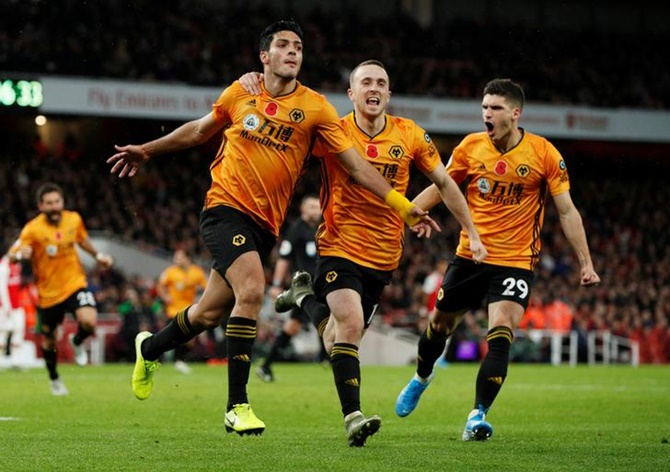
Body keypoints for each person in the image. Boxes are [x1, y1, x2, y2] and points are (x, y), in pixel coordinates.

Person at [106, 20, 430, 438]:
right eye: (283, 45)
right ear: (265, 56)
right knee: (253, 291)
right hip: (224, 208)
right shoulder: (240, 92)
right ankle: (236, 406)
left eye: (298, 46)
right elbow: (202, 129)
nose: (293, 52)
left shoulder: (315, 108)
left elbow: (355, 165)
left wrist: (402, 205)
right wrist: (147, 150)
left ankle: (148, 348)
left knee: (208, 312)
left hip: (266, 223)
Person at [243, 59, 485, 446]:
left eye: (381, 83)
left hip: (384, 256)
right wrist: (257, 86)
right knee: (351, 327)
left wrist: (471, 230)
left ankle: (304, 298)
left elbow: (445, 181)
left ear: (388, 94)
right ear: (352, 93)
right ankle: (353, 417)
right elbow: (283, 133)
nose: (374, 88)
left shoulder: (409, 135)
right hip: (338, 246)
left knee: (337, 335)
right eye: (366, 82)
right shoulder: (331, 132)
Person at [394, 78, 601, 441]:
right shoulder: (471, 147)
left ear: (515, 113)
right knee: (438, 327)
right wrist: (406, 213)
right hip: (470, 255)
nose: (487, 114)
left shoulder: (544, 153)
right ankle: (422, 376)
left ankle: (477, 414)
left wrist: (585, 261)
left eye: (495, 108)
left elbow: (566, 211)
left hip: (516, 259)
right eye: (484, 107)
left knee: (502, 329)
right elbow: (442, 186)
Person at [8, 183, 114, 395]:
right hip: (49, 294)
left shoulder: (73, 219)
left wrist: (98, 256)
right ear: (40, 205)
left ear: (62, 202)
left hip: (75, 283)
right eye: (49, 203)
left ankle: (77, 341)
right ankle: (55, 378)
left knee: (89, 321)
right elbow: (13, 253)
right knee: (49, 339)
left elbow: (82, 240)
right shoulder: (32, 229)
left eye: (57, 202)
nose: (54, 207)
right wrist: (21, 256)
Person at [256, 194, 327, 383]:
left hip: (317, 285)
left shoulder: (317, 229)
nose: (316, 210)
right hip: (304, 287)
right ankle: (326, 357)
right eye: (312, 206)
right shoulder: (297, 230)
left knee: (300, 324)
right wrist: (277, 284)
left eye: (318, 207)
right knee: (300, 324)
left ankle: (324, 357)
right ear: (303, 209)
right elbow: (284, 257)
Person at [156, 248, 207, 374]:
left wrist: (201, 301)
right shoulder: (170, 272)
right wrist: (165, 297)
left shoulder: (197, 272)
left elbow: (207, 287)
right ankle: (164, 359)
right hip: (173, 311)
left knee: (189, 341)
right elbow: (160, 286)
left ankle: (178, 360)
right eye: (176, 257)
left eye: (179, 257)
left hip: (189, 311)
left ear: (187, 258)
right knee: (170, 338)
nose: (176, 260)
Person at [0, 249, 26, 370]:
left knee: (18, 331)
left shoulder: (16, 265)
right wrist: (6, 306)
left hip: (17, 305)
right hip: (4, 306)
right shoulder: (3, 266)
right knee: (3, 333)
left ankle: (16, 362)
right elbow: (2, 288)